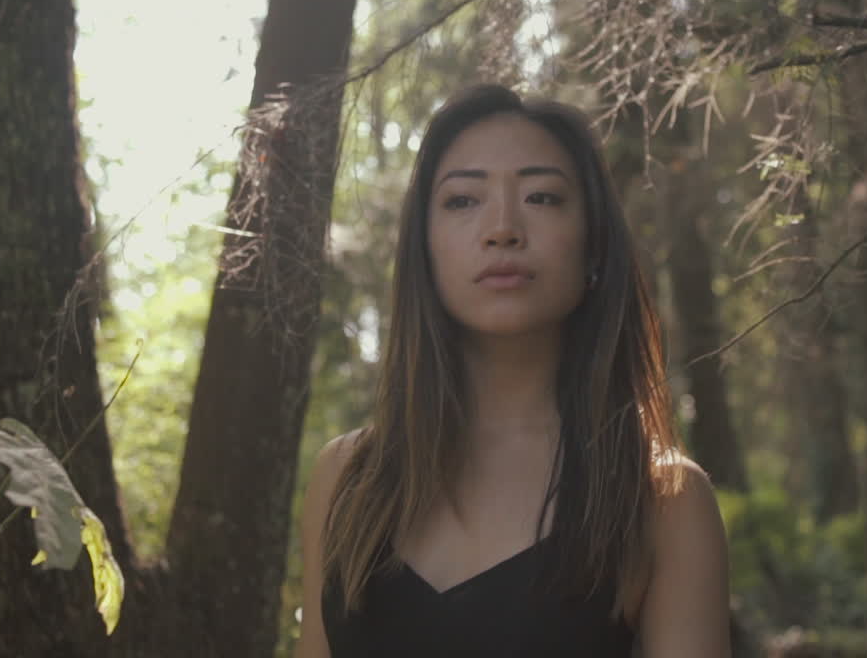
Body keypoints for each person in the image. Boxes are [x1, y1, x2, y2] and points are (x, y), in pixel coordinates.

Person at [295, 84, 730, 657]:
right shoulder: (348, 478)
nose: (502, 228)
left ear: (594, 247)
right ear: (424, 249)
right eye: (463, 201)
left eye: (542, 198)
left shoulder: (663, 499)